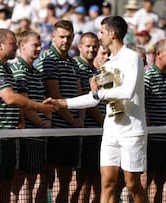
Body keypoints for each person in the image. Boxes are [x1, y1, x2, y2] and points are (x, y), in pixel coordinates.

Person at [48, 16, 148, 203]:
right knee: (107, 181)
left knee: (132, 183)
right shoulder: (107, 65)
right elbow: (94, 99)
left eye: (102, 32)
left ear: (112, 33)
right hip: (111, 131)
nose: (99, 36)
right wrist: (62, 103)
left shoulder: (133, 58)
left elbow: (126, 92)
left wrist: (97, 94)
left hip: (132, 131)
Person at [0, 28, 57, 203]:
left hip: (7, 134)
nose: (16, 47)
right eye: (12, 44)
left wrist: (20, 120)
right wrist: (41, 108)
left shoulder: (5, 68)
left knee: (6, 184)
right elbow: (10, 98)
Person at [36, 20, 84, 203]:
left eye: (69, 37)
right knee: (44, 179)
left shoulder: (73, 63)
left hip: (71, 129)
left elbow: (80, 94)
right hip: (54, 128)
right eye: (62, 36)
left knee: (65, 180)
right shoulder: (48, 60)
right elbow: (54, 96)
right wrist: (74, 121)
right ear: (53, 36)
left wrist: (80, 117)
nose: (66, 40)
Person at [10, 30, 50, 202]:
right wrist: (42, 122)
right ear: (22, 46)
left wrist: (46, 120)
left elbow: (41, 101)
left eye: (40, 45)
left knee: (32, 179)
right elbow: (23, 104)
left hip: (37, 133)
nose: (39, 48)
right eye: (35, 45)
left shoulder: (35, 71)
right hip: (26, 134)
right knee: (20, 182)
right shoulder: (19, 69)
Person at [71, 32, 103, 203]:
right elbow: (87, 102)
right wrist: (105, 123)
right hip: (84, 132)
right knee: (79, 180)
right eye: (88, 46)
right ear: (80, 47)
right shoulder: (77, 67)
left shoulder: (96, 71)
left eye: (94, 46)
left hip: (97, 133)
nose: (91, 49)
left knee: (93, 179)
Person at [144, 39, 166, 203]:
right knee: (146, 180)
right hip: (152, 139)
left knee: (161, 180)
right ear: (158, 54)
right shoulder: (148, 76)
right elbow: (142, 106)